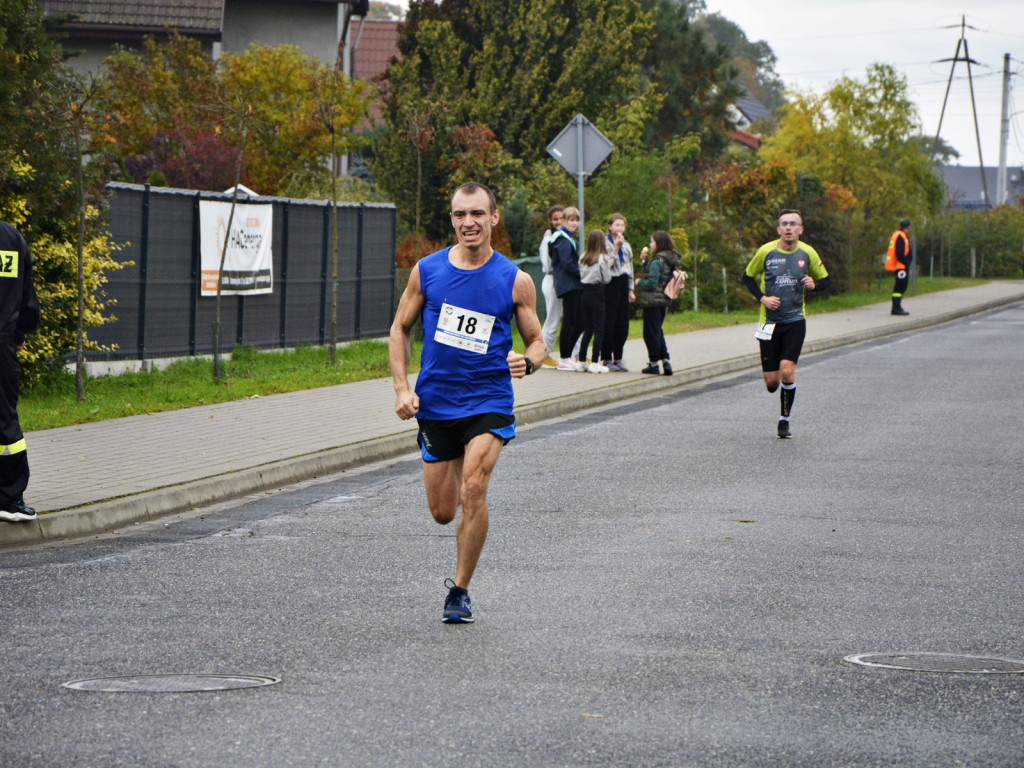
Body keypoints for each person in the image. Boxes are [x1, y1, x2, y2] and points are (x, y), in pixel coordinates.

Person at [389, 182, 545, 623]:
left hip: (489, 399)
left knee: (474, 485)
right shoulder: (428, 271)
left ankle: (459, 590)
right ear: (452, 219)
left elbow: (537, 341)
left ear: (494, 217)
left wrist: (527, 363)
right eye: (459, 215)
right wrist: (403, 388)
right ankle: (453, 476)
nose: (468, 222)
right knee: (442, 512)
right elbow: (399, 329)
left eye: (477, 213)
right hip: (436, 403)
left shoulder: (516, 279)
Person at [742, 209, 830, 439]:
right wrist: (763, 298)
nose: (789, 228)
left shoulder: (808, 252)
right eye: (784, 224)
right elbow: (746, 277)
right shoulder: (766, 251)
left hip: (795, 322)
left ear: (801, 229)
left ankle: (784, 420)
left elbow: (826, 281)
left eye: (793, 224)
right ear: (778, 229)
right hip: (769, 323)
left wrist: (814, 285)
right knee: (772, 382)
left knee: (787, 372)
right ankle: (778, 391)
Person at [0, 220, 40, 523]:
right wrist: (21, 333)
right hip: (3, 346)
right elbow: (27, 295)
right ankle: (9, 498)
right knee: (4, 421)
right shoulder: (11, 237)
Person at [634, 231, 683, 376]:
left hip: (653, 301)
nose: (650, 244)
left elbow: (651, 283)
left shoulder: (657, 261)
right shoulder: (668, 259)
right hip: (663, 300)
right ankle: (666, 361)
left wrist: (638, 282)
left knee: (650, 333)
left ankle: (654, 362)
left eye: (652, 242)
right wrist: (644, 262)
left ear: (659, 244)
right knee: (657, 331)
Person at [548, 206, 585, 371]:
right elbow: (567, 264)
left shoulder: (568, 239)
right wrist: (583, 275)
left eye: (576, 220)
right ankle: (564, 358)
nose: (574, 223)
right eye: (571, 220)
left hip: (572, 284)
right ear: (563, 221)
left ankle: (568, 356)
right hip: (569, 284)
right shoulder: (561, 239)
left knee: (577, 321)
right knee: (570, 321)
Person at [600, 213, 635, 371]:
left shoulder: (626, 245)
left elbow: (629, 267)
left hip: (622, 282)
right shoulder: (605, 244)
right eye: (617, 225)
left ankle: (618, 357)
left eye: (622, 225)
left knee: (622, 323)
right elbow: (607, 265)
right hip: (610, 283)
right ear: (610, 226)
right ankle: (606, 357)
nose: (620, 228)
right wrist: (616, 247)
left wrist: (631, 289)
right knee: (609, 321)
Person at [577, 230, 611, 373]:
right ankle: (595, 362)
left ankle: (582, 360)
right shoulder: (603, 258)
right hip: (597, 292)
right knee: (599, 329)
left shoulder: (583, 257)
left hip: (585, 293)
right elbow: (607, 278)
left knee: (588, 328)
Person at [538, 205, 564, 366]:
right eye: (555, 219)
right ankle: (543, 354)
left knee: (567, 319)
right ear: (550, 221)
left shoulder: (563, 237)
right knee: (552, 320)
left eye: (561, 218)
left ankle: (572, 354)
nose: (559, 221)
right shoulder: (548, 239)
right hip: (552, 280)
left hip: (562, 281)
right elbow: (548, 266)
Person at [885, 219, 912, 316]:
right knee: (900, 286)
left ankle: (897, 307)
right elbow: (900, 253)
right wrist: (906, 263)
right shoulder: (901, 236)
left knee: (900, 286)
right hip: (901, 266)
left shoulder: (899, 235)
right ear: (908, 227)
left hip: (900, 265)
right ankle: (897, 308)